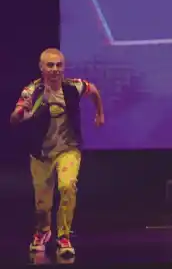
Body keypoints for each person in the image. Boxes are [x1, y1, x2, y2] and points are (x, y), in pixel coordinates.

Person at [10, 48, 105, 256]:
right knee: (42, 204)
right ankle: (43, 232)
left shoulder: (73, 87)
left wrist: (99, 113)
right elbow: (14, 119)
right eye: (50, 65)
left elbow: (94, 90)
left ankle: (64, 237)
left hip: (68, 150)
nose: (55, 70)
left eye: (59, 65)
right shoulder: (32, 91)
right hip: (41, 154)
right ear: (42, 68)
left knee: (67, 186)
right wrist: (20, 113)